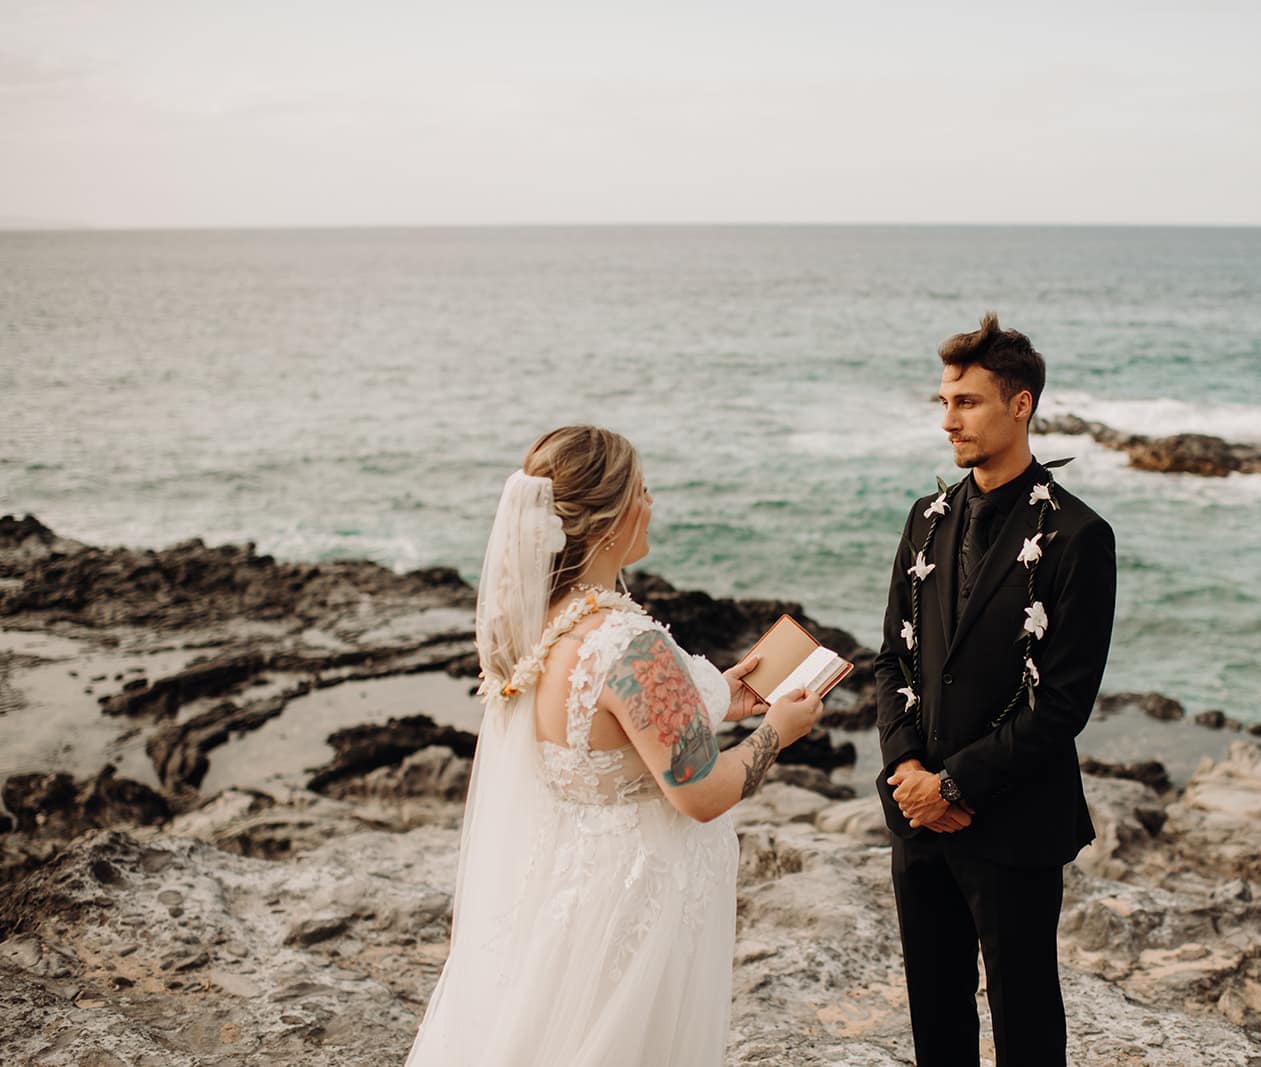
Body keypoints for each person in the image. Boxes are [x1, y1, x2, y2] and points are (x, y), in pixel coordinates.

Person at [406, 425, 823, 1067]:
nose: (652, 503)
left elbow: (616, 734)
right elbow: (702, 794)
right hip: (637, 907)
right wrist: (777, 732)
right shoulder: (628, 643)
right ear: (610, 521)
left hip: (568, 892)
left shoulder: (542, 629)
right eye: (643, 490)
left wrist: (716, 696)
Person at [873, 313, 1117, 1067]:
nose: (948, 420)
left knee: (1026, 1022)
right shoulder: (925, 519)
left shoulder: (1080, 536)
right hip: (920, 822)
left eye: (967, 402)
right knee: (936, 1021)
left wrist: (956, 782)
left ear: (1021, 405)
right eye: (943, 402)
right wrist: (911, 775)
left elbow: (1064, 704)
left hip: (1013, 824)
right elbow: (894, 661)